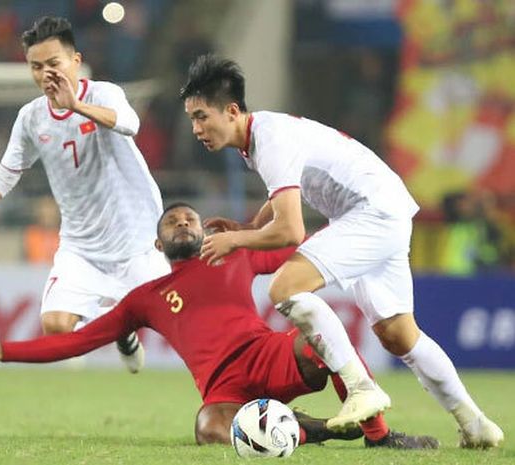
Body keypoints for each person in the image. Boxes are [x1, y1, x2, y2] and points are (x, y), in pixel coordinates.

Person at [179, 54, 503, 448]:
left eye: (200, 116)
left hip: (371, 212)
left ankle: (360, 387)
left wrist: (235, 240)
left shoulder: (270, 139)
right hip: (384, 208)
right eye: (192, 118)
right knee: (399, 335)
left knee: (284, 288)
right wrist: (250, 225)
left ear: (231, 111)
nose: (196, 128)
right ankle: (476, 424)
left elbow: (290, 230)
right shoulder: (259, 137)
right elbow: (284, 193)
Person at [0, 203, 438, 449]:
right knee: (208, 428)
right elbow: (77, 340)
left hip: (268, 355)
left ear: (206, 231)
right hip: (222, 386)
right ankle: (314, 432)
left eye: (189, 219)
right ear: (158, 246)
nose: (183, 223)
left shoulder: (235, 257)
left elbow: (304, 252)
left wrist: (370, 238)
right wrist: (3, 351)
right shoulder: (144, 298)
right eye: (172, 222)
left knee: (322, 342)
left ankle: (379, 436)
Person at [0, 16, 170, 373]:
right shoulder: (32, 118)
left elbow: (131, 123)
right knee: (55, 327)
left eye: (54, 63)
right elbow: (4, 175)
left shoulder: (103, 94)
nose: (46, 74)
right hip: (81, 247)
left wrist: (76, 106)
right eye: (36, 67)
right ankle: (121, 328)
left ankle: (124, 326)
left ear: (76, 61)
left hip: (137, 242)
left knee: (177, 322)